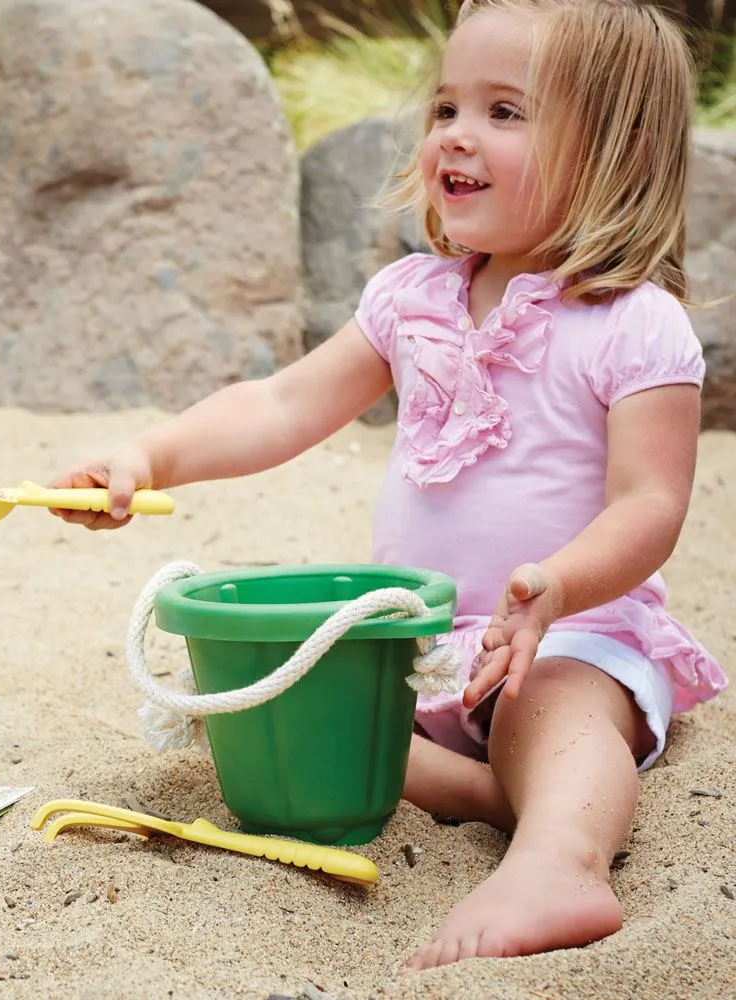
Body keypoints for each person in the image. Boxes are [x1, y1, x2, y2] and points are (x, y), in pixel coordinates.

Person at [50, 0, 727, 970]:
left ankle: (558, 857)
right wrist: (152, 457)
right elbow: (282, 403)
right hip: (414, 642)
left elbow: (651, 503)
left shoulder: (632, 323)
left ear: (618, 148)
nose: (454, 133)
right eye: (446, 106)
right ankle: (501, 791)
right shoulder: (411, 300)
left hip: (562, 633)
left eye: (504, 111)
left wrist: (559, 588)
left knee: (556, 715)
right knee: (277, 715)